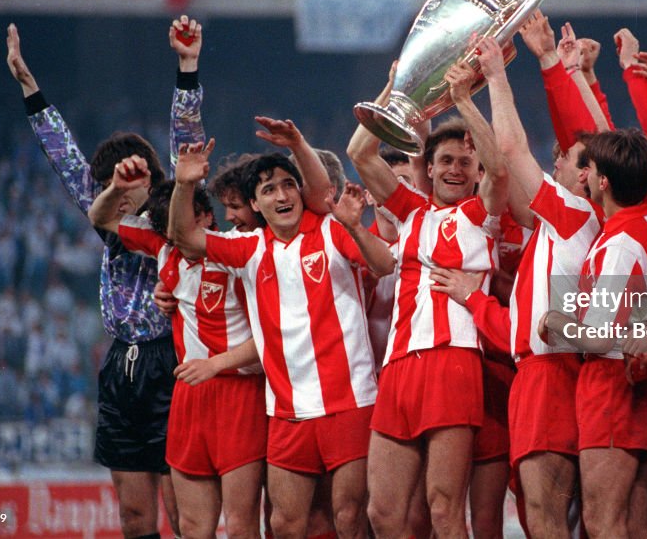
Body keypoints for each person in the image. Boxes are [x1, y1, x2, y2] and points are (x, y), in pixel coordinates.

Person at [7, 16, 206, 537]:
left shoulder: (175, 218)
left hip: (174, 362)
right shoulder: (109, 224)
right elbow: (66, 161)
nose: (120, 187)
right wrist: (31, 89)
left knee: (185, 513)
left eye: (130, 176)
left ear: (152, 176)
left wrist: (187, 69)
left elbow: (188, 145)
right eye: (110, 184)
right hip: (121, 368)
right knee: (134, 516)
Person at [170, 137, 393, 539]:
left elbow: (384, 262)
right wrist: (184, 185)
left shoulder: (330, 230)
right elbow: (185, 237)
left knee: (349, 518)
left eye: (289, 184)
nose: (281, 195)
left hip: (351, 402)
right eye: (268, 189)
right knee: (284, 524)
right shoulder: (249, 249)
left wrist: (355, 227)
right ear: (256, 205)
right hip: (287, 413)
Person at [431, 35, 602, 539]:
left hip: (552, 376)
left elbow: (509, 152)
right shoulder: (555, 227)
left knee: (549, 517)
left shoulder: (574, 216)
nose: (556, 160)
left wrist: (494, 77)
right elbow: (519, 327)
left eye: (567, 158)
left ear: (589, 175)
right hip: (535, 375)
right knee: (540, 517)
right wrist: (475, 297)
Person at [347, 55, 509, 539]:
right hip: (399, 366)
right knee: (384, 513)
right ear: (429, 169)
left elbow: (500, 172)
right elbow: (360, 152)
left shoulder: (482, 214)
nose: (456, 169)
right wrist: (399, 90)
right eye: (445, 161)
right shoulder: (412, 212)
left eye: (465, 161)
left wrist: (463, 100)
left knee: (443, 509)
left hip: (453, 362)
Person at [89, 166, 266, 539]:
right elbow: (101, 216)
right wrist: (118, 187)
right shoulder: (163, 248)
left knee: (241, 526)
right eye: (167, 227)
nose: (174, 234)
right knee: (192, 527)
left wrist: (216, 365)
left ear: (204, 215)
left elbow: (272, 336)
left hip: (238, 394)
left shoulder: (240, 252)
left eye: (180, 222)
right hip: (189, 397)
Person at [539, 129, 647, 539]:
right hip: (641, 379)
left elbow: (597, 337)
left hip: (613, 384)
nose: (584, 176)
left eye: (590, 168)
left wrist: (554, 322)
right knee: (635, 518)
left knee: (603, 520)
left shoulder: (620, 244)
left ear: (604, 181)